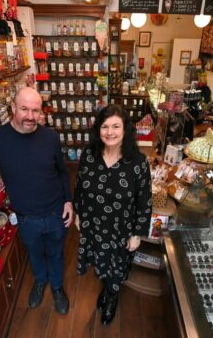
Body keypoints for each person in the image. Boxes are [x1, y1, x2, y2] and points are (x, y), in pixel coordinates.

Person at [0, 87, 73, 315]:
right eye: (25, 109)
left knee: (56, 252)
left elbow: (63, 172)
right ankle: (40, 281)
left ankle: (57, 287)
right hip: (26, 216)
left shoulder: (51, 137)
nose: (30, 116)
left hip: (56, 211)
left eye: (35, 110)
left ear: (41, 112)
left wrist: (68, 201)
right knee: (34, 252)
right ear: (13, 108)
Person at [73, 104, 152, 326]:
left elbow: (144, 200)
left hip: (121, 229)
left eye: (116, 126)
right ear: (98, 129)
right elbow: (79, 185)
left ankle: (111, 297)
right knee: (100, 262)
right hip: (94, 225)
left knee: (116, 268)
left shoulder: (138, 162)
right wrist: (78, 212)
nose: (110, 132)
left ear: (125, 130)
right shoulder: (89, 155)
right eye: (105, 126)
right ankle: (107, 288)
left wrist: (137, 233)